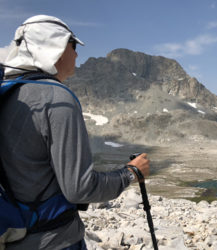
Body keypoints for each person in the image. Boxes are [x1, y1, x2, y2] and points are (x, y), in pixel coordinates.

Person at [0, 15, 150, 250]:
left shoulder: (7, 92)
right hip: (54, 240)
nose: (77, 54)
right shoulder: (56, 97)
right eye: (73, 45)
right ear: (55, 46)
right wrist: (131, 174)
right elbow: (80, 188)